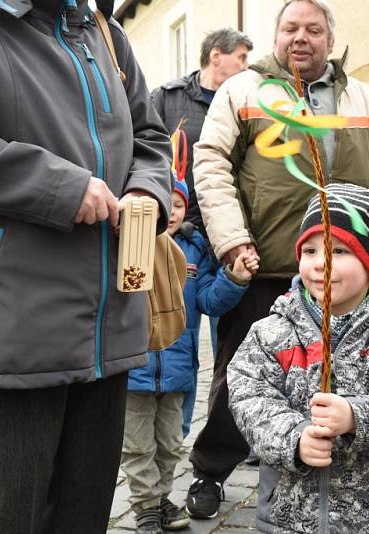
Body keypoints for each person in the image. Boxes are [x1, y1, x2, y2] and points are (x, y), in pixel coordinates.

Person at [0, 1, 172, 532]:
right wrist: (60, 187)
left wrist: (146, 191)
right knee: (11, 518)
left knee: (85, 514)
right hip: (17, 322)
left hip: (108, 324)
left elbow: (150, 137)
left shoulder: (104, 31)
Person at [186, 0, 369, 519]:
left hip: (347, 274)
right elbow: (210, 162)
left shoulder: (363, 98)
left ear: (330, 39)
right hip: (264, 265)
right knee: (244, 376)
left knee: (346, 378)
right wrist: (232, 240)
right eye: (290, 28)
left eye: (313, 29)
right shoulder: (243, 90)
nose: (300, 38)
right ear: (275, 36)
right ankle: (211, 470)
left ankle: (333, 477)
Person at [228, 183, 369, 533]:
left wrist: (357, 416)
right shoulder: (271, 331)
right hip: (288, 518)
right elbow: (248, 396)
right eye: (310, 250)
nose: (320, 264)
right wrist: (294, 437)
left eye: (339, 250)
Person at [122, 177, 257, 534]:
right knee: (138, 447)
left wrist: (235, 278)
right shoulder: (129, 245)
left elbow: (210, 301)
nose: (170, 211)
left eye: (178, 204)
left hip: (179, 369)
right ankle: (146, 505)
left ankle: (163, 497)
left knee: (169, 443)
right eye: (163, 201)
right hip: (135, 369)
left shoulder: (194, 249)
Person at [151, 27, 252, 373]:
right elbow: (143, 151)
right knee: (173, 329)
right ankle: (166, 398)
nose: (246, 66)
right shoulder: (167, 98)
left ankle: (220, 413)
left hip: (226, 238)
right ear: (215, 57)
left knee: (229, 342)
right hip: (177, 239)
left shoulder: (246, 100)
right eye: (240, 58)